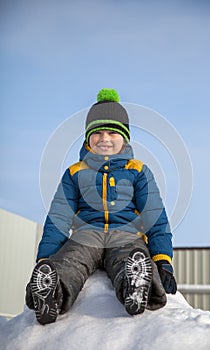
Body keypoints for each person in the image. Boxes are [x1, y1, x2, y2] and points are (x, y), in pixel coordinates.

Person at [25, 88, 177, 325]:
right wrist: (45, 258)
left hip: (127, 235)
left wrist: (163, 257)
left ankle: (135, 287)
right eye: (98, 133)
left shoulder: (137, 170)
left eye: (112, 132)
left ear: (124, 138)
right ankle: (51, 293)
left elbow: (155, 215)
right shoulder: (76, 173)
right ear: (88, 138)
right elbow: (59, 217)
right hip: (87, 234)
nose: (105, 138)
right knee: (71, 260)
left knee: (130, 259)